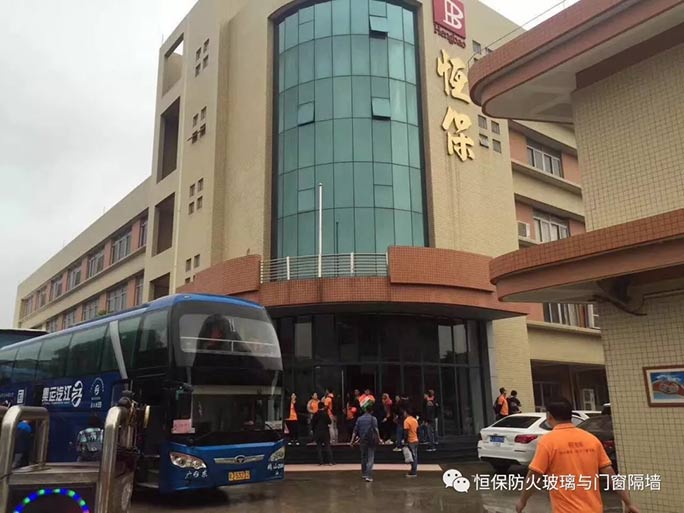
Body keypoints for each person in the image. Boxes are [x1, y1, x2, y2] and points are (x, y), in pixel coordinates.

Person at [515, 398, 640, 513]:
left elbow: (534, 476)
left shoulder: (548, 441)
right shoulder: (591, 439)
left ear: (549, 416)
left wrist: (522, 501)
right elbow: (611, 475)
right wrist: (628, 502)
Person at [351, 401, 379, 482]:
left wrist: (352, 441)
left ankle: (364, 474)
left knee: (363, 457)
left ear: (365, 410)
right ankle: (369, 476)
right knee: (370, 458)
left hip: (362, 440)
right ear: (372, 411)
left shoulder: (359, 419)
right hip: (371, 440)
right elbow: (376, 430)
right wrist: (379, 438)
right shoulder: (373, 419)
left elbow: (355, 431)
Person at [311, 401, 334, 466]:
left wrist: (313, 430)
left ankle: (321, 462)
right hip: (325, 432)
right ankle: (330, 461)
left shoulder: (315, 414)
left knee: (319, 447)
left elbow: (313, 423)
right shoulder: (325, 414)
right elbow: (329, 422)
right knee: (327, 446)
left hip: (318, 432)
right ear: (323, 407)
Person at [403, 407, 419, 478]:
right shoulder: (415, 420)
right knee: (414, 456)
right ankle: (413, 470)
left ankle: (413, 472)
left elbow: (406, 432)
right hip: (415, 439)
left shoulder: (406, 421)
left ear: (406, 413)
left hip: (410, 440)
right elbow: (417, 430)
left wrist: (405, 441)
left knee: (412, 457)